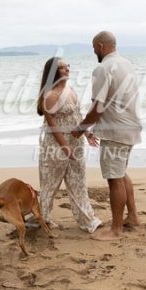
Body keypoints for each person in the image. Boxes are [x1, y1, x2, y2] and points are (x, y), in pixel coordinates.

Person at [72, 31, 142, 240]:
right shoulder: (127, 64)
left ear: (101, 46)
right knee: (120, 174)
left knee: (114, 179)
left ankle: (116, 229)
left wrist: (81, 128)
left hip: (115, 131)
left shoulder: (102, 69)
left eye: (94, 48)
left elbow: (97, 108)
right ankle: (133, 218)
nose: (94, 51)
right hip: (130, 127)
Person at [36, 56, 102, 233]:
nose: (67, 69)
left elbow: (76, 117)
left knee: (78, 182)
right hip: (55, 144)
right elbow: (52, 124)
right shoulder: (50, 96)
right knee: (50, 183)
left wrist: (87, 133)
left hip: (76, 141)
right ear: (54, 72)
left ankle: (87, 220)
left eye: (67, 66)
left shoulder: (71, 90)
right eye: (62, 67)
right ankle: (43, 218)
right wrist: (64, 146)